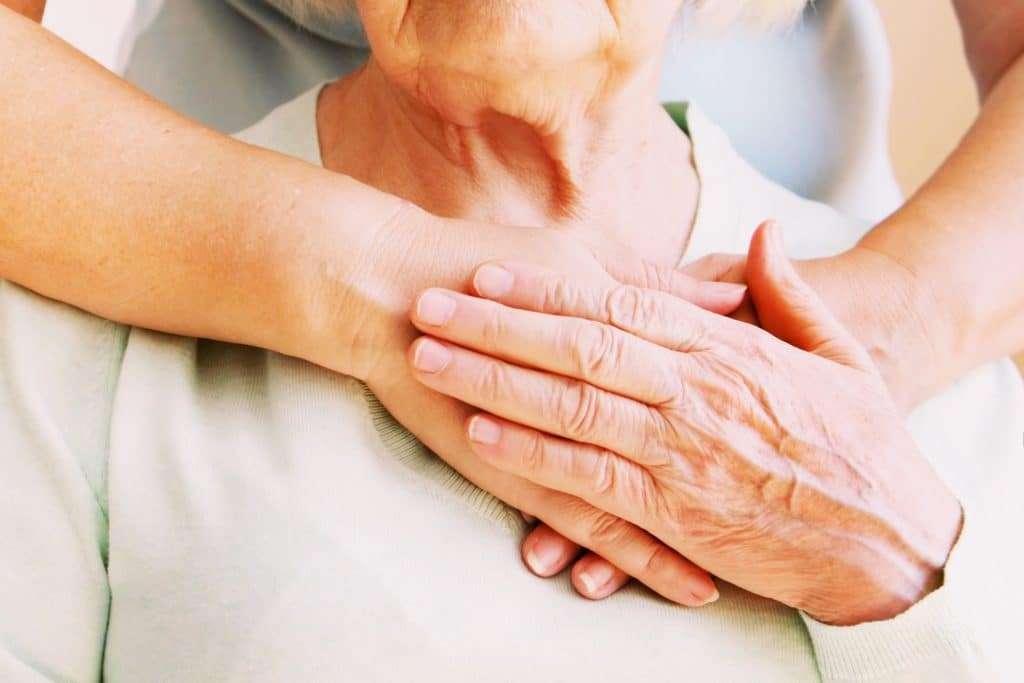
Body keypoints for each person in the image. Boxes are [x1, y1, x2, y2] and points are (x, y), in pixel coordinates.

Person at [1, 0, 1021, 681]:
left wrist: (888, 512)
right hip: (165, 209)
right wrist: (385, 283)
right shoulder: (88, 358)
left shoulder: (943, 412)